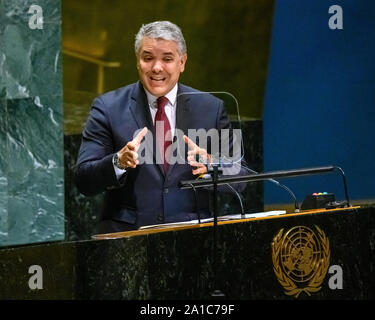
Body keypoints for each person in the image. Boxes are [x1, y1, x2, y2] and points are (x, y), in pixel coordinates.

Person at [75, 21, 244, 234]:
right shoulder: (107, 108)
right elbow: (83, 179)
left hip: (192, 238)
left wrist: (212, 164)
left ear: (182, 62)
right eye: (148, 58)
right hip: (128, 240)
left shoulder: (212, 108)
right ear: (138, 61)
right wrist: (118, 161)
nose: (156, 67)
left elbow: (241, 175)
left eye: (167, 59)